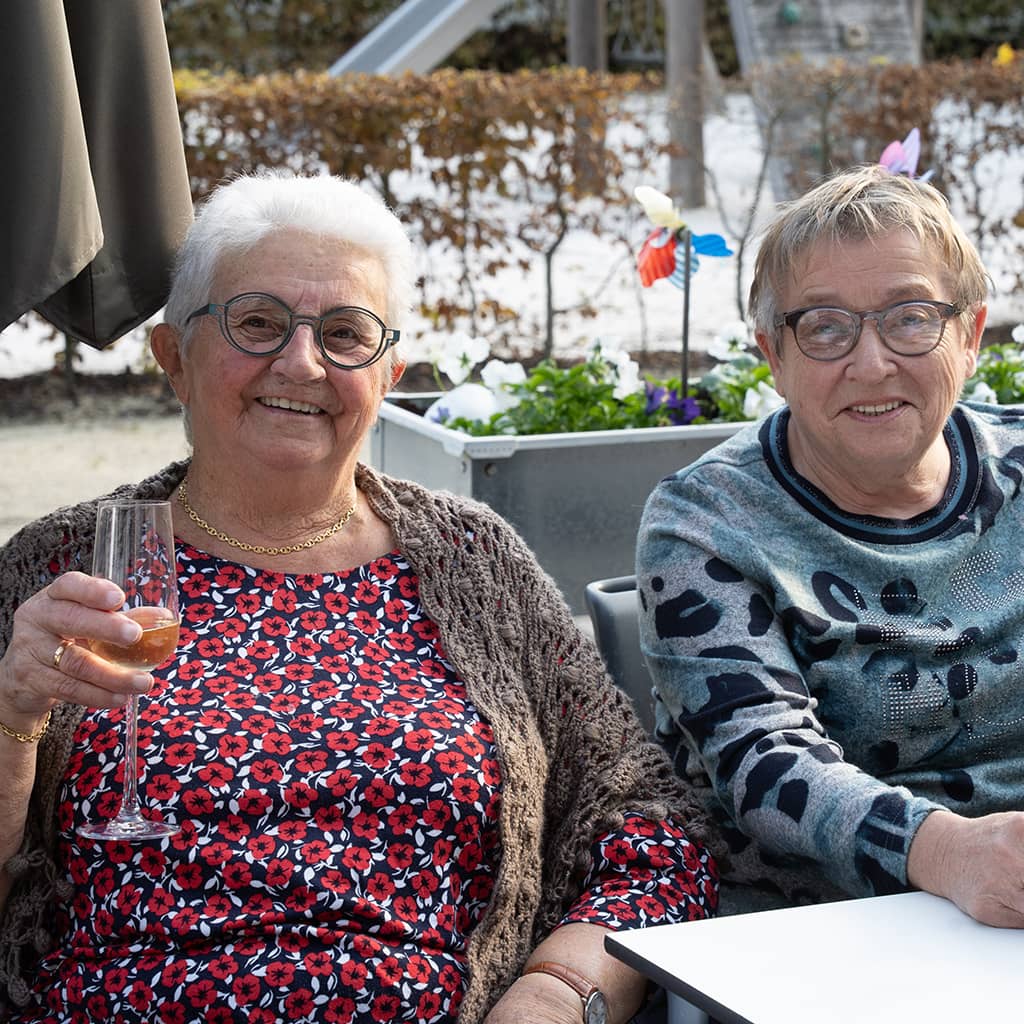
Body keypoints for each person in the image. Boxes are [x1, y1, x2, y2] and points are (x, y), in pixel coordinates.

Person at [0, 171, 717, 1023]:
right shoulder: (58, 570)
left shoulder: (475, 564)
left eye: (345, 334)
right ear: (173, 358)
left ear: (388, 375)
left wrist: (557, 994)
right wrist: (10, 719)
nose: (302, 363)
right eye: (257, 322)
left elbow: (649, 824)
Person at [636, 163, 1024, 927]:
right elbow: (765, 762)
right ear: (773, 357)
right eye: (824, 327)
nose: (871, 364)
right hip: (816, 932)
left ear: (971, 336)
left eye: (910, 318)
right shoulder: (706, 520)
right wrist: (951, 852)